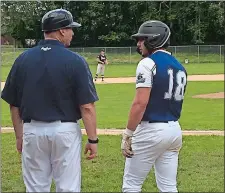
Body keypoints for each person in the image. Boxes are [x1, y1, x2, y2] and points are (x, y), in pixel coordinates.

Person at [1, 8, 99, 192]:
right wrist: (93, 140)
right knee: (67, 187)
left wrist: (19, 136)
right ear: (61, 30)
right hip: (65, 131)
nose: (73, 33)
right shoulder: (76, 60)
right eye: (70, 28)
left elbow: (14, 105)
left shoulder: (23, 59)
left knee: (36, 188)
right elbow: (86, 107)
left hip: (32, 131)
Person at [121, 20, 188, 192]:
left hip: (151, 130)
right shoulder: (179, 66)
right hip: (174, 130)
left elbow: (140, 102)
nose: (138, 44)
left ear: (154, 40)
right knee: (168, 186)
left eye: (142, 39)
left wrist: (128, 133)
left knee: (131, 185)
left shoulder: (148, 63)